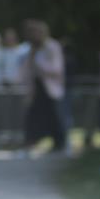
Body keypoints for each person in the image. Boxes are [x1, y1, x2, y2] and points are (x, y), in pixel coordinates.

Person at [22, 21, 66, 152]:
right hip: (37, 87)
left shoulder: (52, 47)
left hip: (50, 88)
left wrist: (40, 66)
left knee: (54, 116)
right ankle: (31, 141)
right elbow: (28, 69)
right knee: (33, 115)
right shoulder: (33, 49)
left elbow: (57, 69)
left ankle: (59, 143)